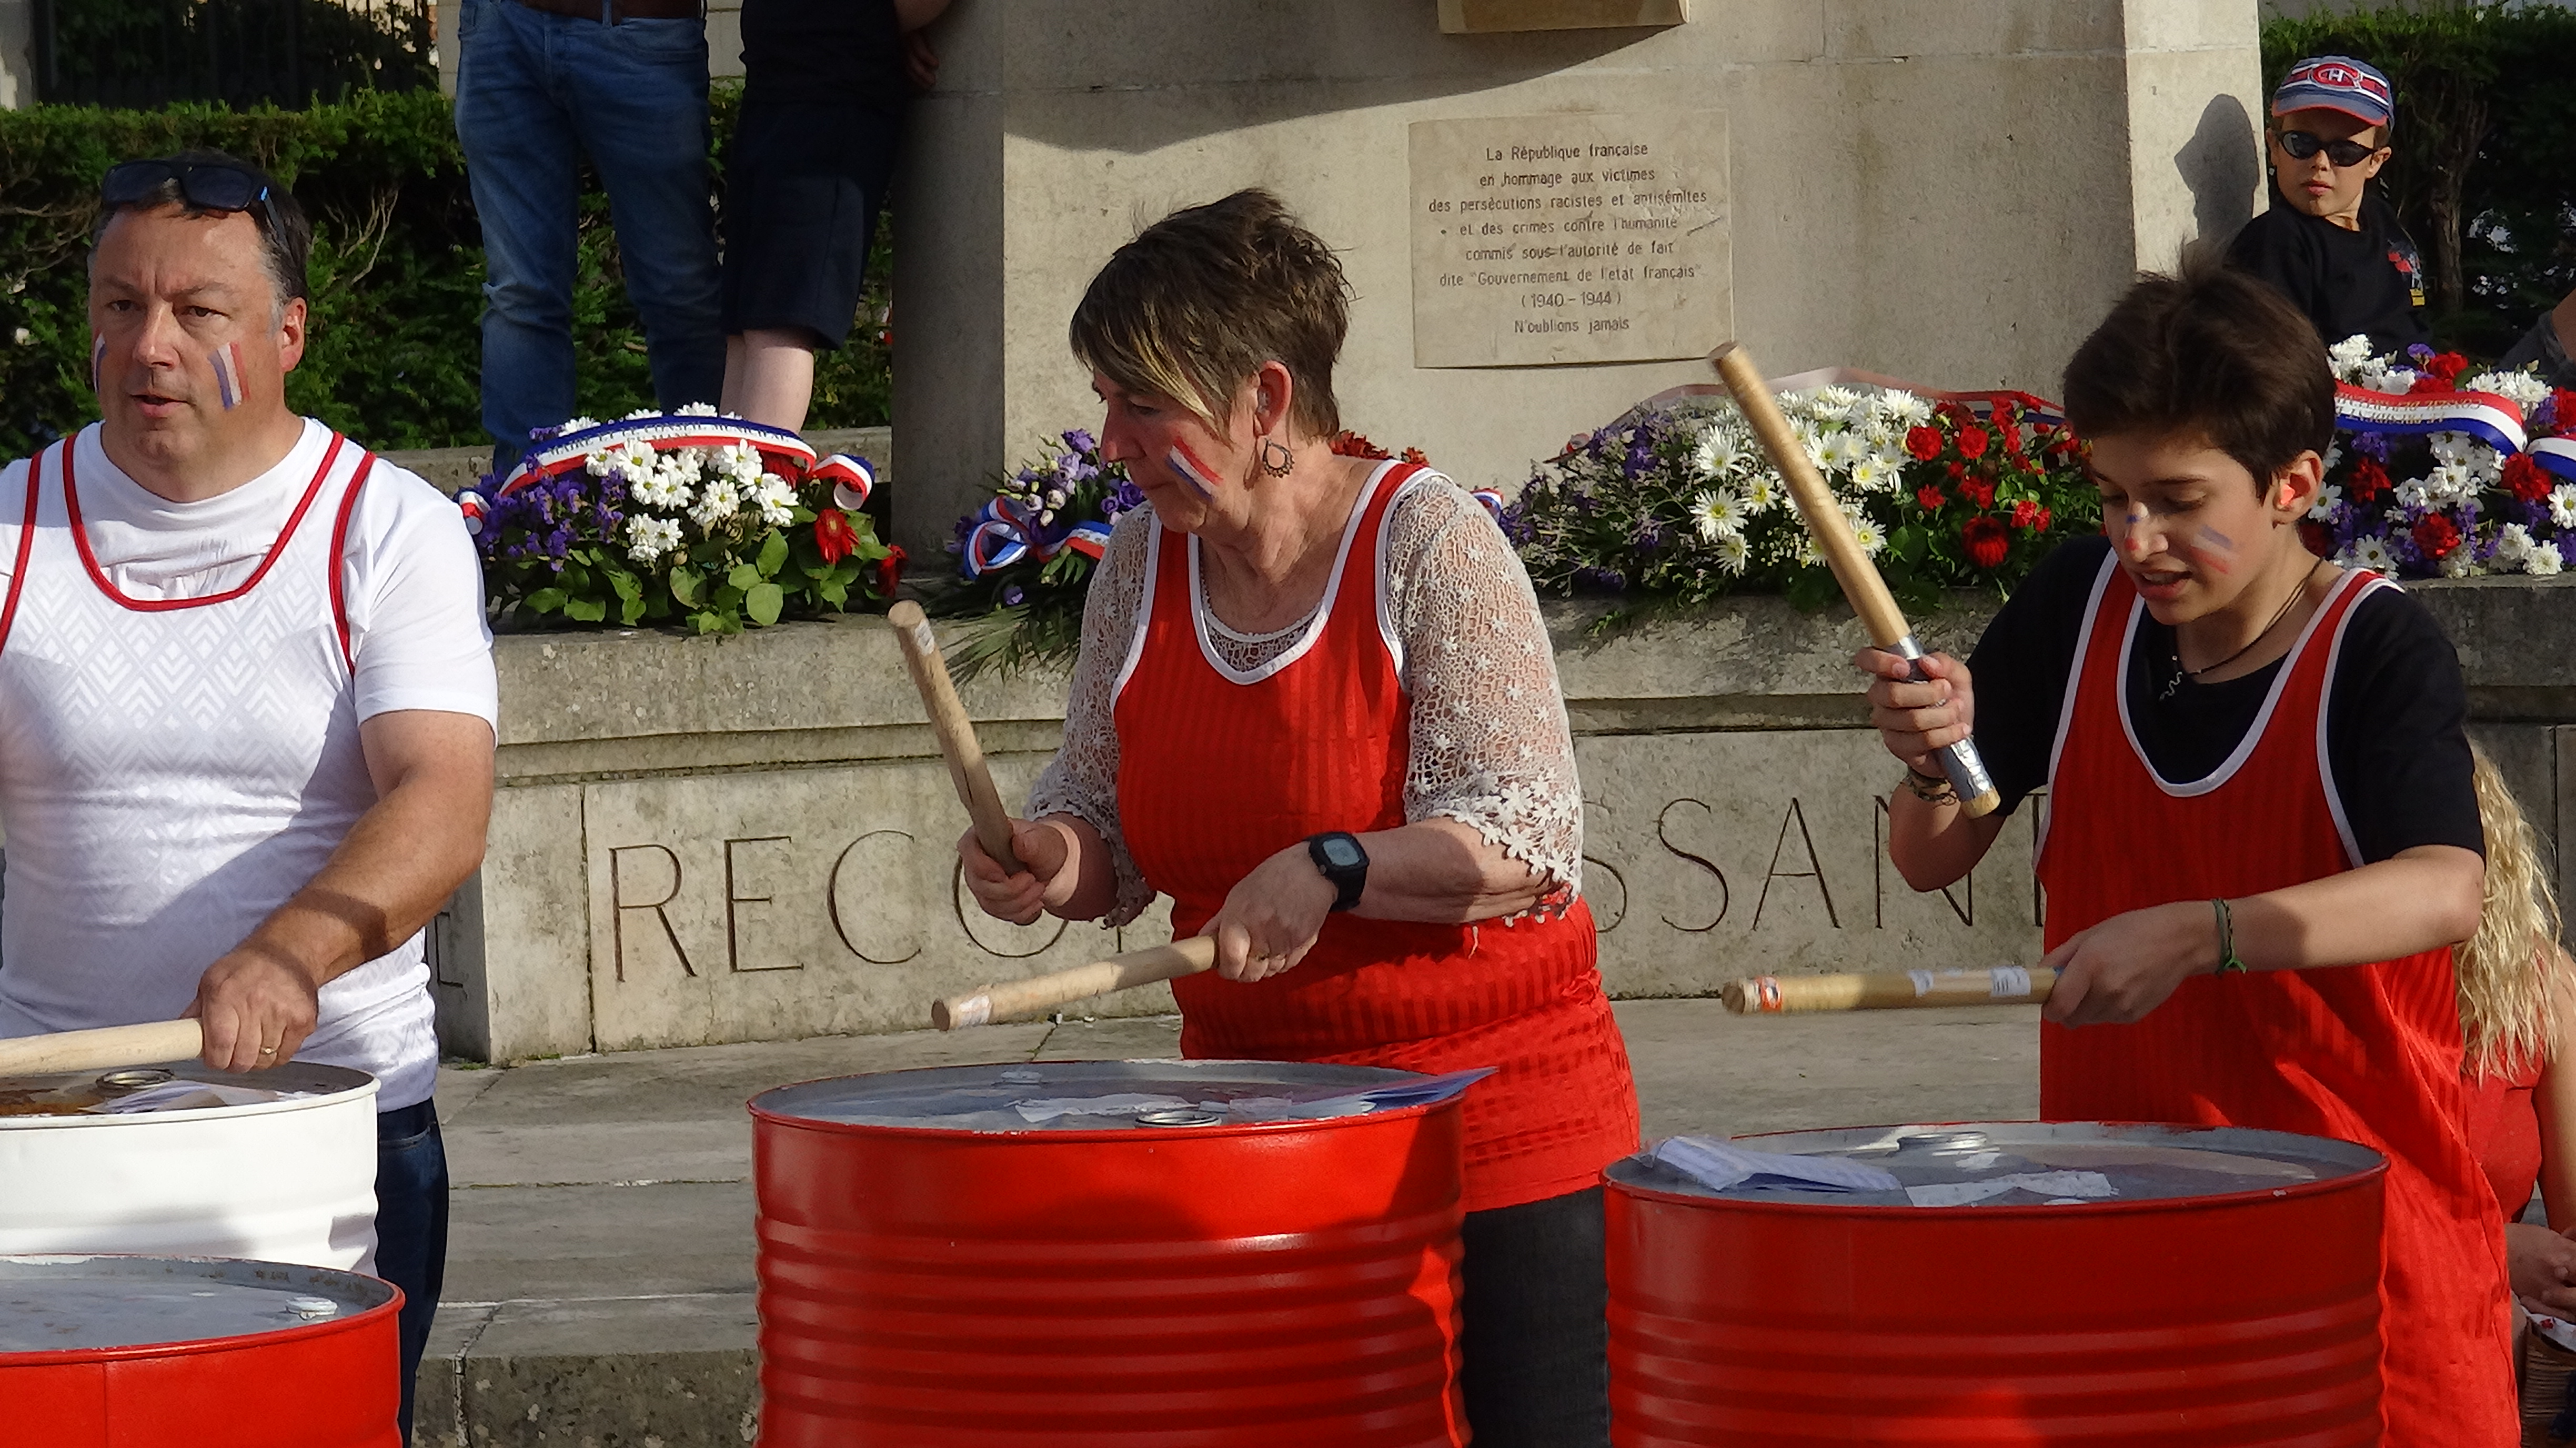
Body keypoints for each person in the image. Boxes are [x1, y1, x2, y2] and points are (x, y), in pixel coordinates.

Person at [956, 189, 1638, 1448]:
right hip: (1261, 1129)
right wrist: (1052, 858)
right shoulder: (1134, 565)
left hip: (1490, 1132)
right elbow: (1095, 810)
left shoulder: (1428, 544)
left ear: (1266, 401)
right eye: (1106, 399)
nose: (1111, 438)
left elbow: (1526, 840)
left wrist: (1333, 865)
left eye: (1142, 401)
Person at [1861, 262, 2512, 1445]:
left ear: (2292, 485)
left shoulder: (2376, 644)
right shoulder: (2079, 601)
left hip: (2355, 1258)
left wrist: (2207, 932)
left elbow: (2444, 886)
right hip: (2124, 1243)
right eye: (2112, 496)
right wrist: (1931, 754)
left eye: (2173, 498)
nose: (2136, 538)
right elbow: (1930, 855)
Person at [0, 152, 499, 1441]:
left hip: (326, 1134)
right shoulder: (8, 528)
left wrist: (294, 951)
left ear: (288, 334)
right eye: (119, 306)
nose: (148, 344)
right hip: (48, 1133)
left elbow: (441, 796)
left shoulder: (389, 529)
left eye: (195, 311)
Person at [453, 0, 725, 470]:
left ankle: (709, 505)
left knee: (679, 294)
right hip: (504, 25)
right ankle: (525, 515)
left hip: (641, 22)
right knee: (521, 296)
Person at [718, 0, 950, 430]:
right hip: (776, 87)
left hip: (829, 102)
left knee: (779, 319)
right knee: (746, 324)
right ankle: (728, 490)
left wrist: (881, 24)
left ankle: (757, 490)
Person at [2227, 54, 2432, 357]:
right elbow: (2274, 367)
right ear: (2274, 148)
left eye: (2344, 151)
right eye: (2302, 144)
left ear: (2376, 161)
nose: (2320, 163)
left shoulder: (2381, 221)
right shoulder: (2277, 240)